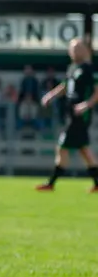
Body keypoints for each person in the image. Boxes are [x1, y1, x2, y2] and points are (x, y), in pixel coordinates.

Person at [36, 38, 98, 192]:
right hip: (72, 114)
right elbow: (65, 86)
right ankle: (97, 183)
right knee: (84, 150)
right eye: (72, 48)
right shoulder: (73, 68)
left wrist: (86, 105)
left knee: (62, 146)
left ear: (85, 50)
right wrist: (51, 95)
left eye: (77, 48)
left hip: (81, 115)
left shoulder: (89, 69)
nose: (73, 51)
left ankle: (51, 183)